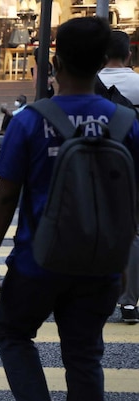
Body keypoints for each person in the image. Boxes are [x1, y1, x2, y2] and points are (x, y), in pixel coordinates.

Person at [0, 17, 139, 401]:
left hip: (38, 260)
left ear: (55, 62)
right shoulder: (128, 122)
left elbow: (6, 195)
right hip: (101, 264)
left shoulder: (32, 120)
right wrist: (124, 260)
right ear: (106, 63)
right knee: (85, 359)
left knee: (12, 333)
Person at [97, 30, 139, 324]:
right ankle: (128, 302)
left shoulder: (89, 82)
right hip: (134, 166)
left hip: (96, 166)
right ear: (129, 55)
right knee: (134, 233)